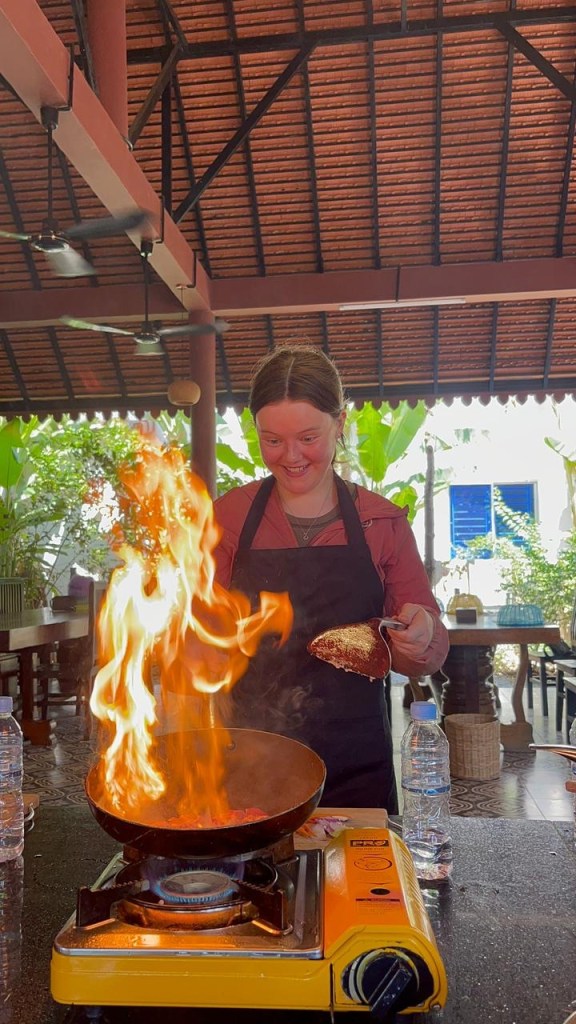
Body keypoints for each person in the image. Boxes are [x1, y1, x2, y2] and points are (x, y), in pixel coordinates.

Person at [213, 345, 448, 812]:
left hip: (356, 761)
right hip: (251, 761)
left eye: (307, 437)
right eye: (272, 440)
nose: (290, 456)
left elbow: (430, 648)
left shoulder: (380, 522)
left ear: (339, 423)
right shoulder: (228, 518)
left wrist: (419, 639)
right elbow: (197, 632)